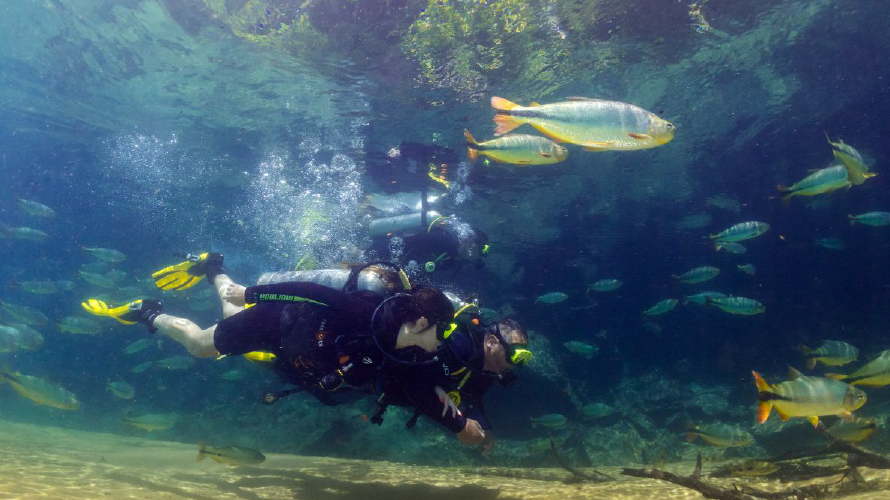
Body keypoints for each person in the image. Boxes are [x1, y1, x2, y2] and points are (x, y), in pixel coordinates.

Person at [81, 253, 527, 446]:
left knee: (222, 319)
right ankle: (149, 312)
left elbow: (433, 403)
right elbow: (313, 290)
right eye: (440, 331)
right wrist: (251, 293)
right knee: (201, 345)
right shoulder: (369, 310)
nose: (443, 341)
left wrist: (465, 429)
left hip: (299, 349)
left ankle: (213, 268)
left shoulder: (412, 358)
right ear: (423, 322)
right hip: (281, 320)